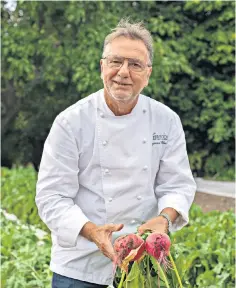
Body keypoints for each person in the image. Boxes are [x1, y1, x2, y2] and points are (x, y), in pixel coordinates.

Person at [36, 19, 196, 288]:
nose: (123, 72)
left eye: (135, 64)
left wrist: (164, 219)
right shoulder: (70, 122)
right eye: (115, 62)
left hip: (144, 262)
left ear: (148, 73)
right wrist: (93, 231)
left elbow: (177, 184)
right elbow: (52, 196)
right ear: (102, 67)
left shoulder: (166, 120)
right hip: (79, 266)